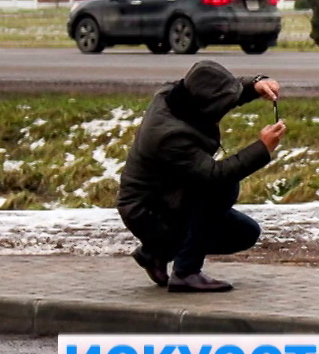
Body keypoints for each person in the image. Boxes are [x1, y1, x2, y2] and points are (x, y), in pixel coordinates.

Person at [116, 59, 285, 292]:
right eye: (221, 106)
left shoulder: (176, 96)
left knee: (245, 233)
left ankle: (156, 253)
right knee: (222, 188)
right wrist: (262, 148)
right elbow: (216, 176)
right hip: (147, 212)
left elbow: (215, 90)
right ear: (205, 107)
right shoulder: (170, 136)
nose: (224, 110)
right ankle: (186, 272)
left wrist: (255, 85)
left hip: (167, 198)